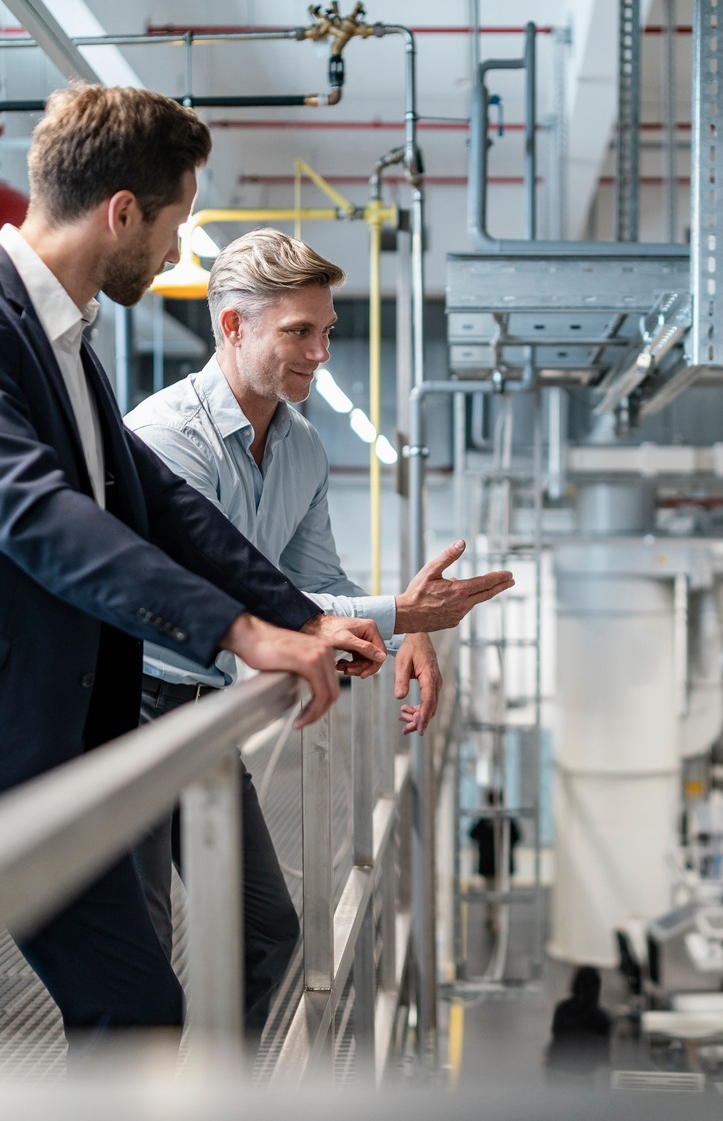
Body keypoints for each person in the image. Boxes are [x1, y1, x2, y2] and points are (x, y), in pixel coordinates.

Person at [0, 84, 387, 1046]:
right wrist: (240, 633)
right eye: (177, 222)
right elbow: (36, 513)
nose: (177, 251)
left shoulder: (74, 352)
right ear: (122, 212)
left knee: (141, 1016)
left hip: (54, 754)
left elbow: (167, 509)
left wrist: (301, 617)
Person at [124, 227, 515, 1036]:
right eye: (299, 332)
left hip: (202, 711)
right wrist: (397, 614)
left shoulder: (299, 446)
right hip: (124, 712)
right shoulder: (168, 438)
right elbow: (219, 587)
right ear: (233, 326)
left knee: (269, 932)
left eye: (326, 330)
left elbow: (318, 585)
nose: (322, 352)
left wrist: (400, 626)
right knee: (137, 967)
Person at [545, 965, 612, 1080]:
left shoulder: (562, 1009)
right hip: (585, 1072)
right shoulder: (601, 1018)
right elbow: (604, 1055)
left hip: (559, 1069)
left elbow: (556, 1036)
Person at [469, 787, 521, 934]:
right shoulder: (504, 819)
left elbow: (472, 834)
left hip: (489, 865)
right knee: (495, 893)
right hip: (498, 865)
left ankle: (492, 917)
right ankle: (494, 918)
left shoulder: (486, 820)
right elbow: (517, 837)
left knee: (490, 892)